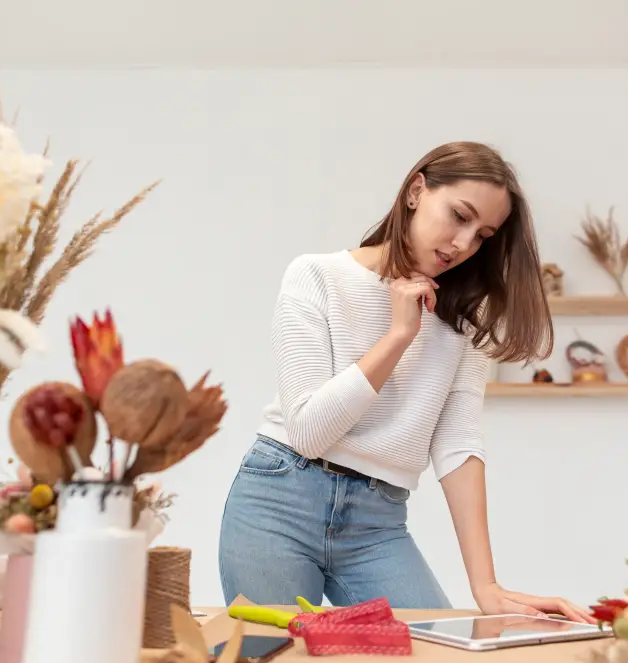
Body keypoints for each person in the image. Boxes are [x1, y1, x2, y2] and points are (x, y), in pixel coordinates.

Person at [217, 141, 594, 623]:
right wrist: (399, 335)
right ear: (417, 190)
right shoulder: (317, 276)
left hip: (378, 521)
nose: (463, 244)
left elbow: (458, 441)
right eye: (459, 215)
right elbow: (309, 433)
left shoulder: (464, 317)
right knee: (276, 656)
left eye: (482, 234)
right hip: (280, 500)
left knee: (439, 648)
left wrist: (486, 585)